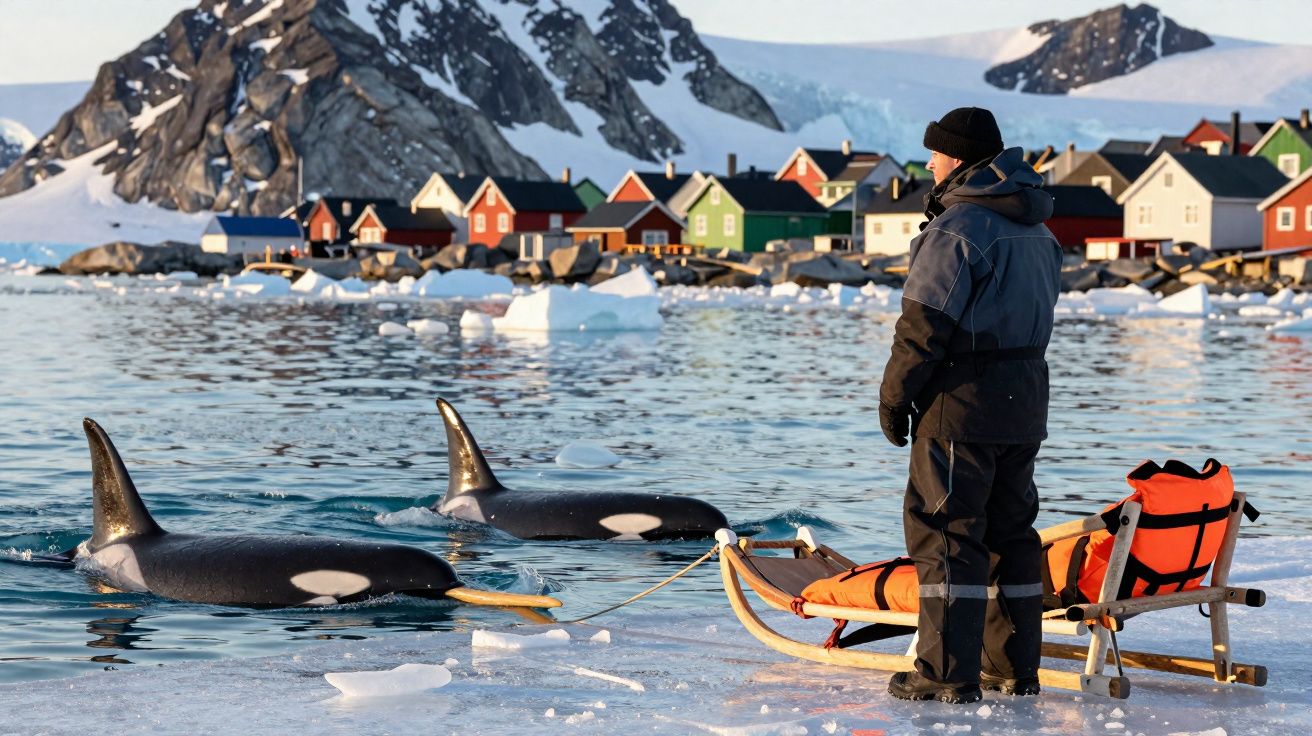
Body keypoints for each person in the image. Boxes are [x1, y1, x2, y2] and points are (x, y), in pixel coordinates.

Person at [878, 107, 1063, 704]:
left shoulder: (958, 227)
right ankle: (1013, 669)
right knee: (1012, 533)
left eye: (934, 153)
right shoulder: (1038, 229)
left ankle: (944, 674)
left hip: (960, 404)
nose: (928, 163)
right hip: (1025, 400)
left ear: (957, 157)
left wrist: (894, 396)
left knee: (947, 535)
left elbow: (923, 326)